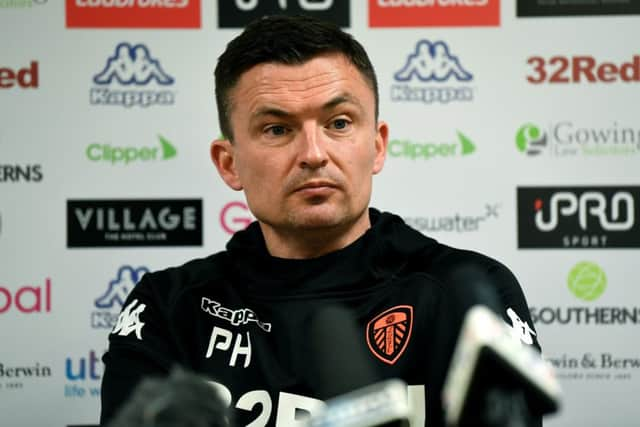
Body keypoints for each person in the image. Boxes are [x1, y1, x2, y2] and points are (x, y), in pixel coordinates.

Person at [100, 15, 542, 427]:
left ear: (378, 145)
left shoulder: (465, 296)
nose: (313, 153)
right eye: (277, 129)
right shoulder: (168, 307)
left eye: (339, 122)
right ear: (229, 163)